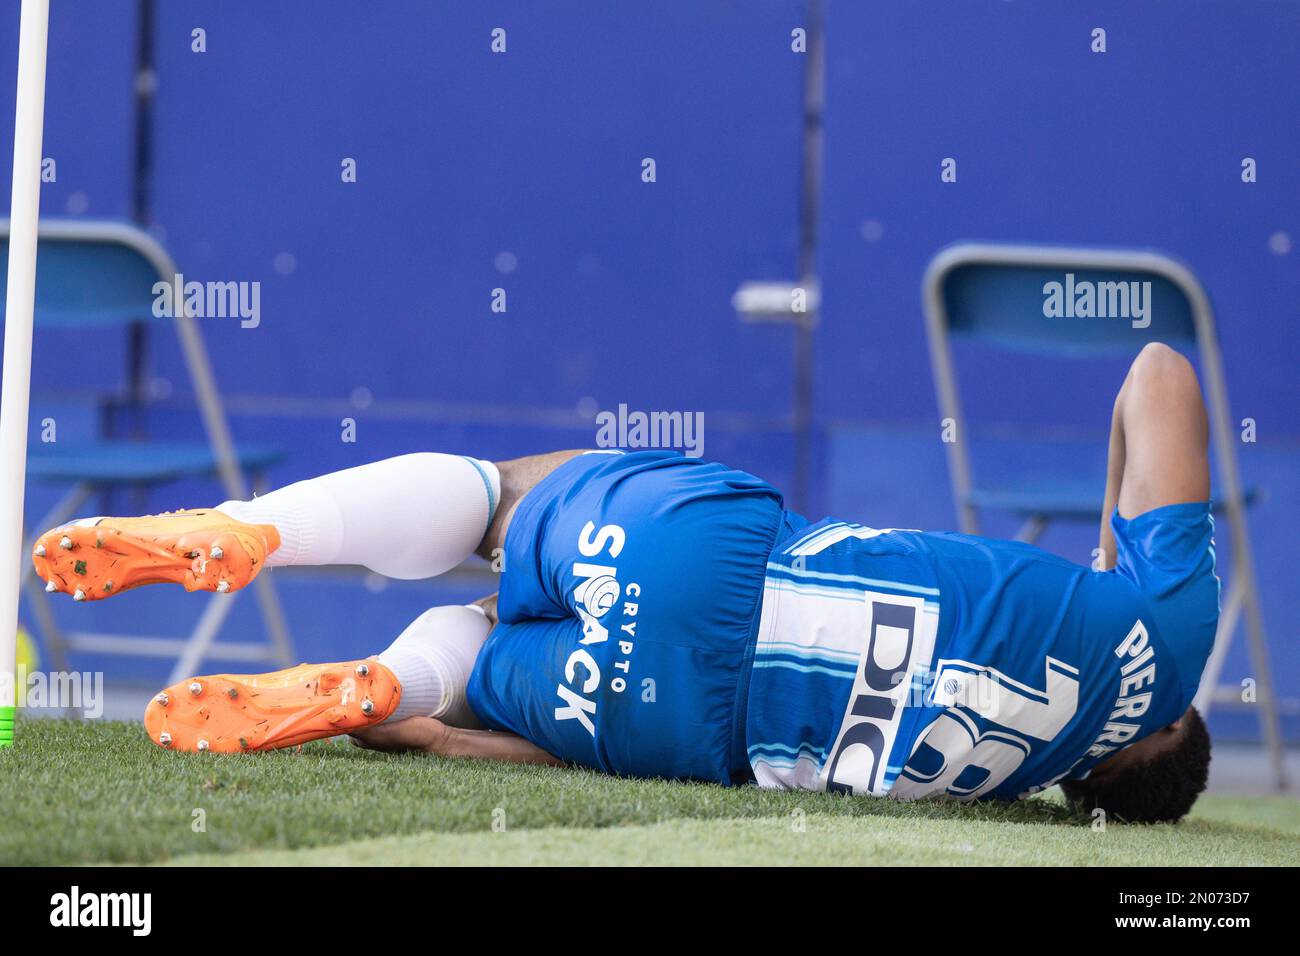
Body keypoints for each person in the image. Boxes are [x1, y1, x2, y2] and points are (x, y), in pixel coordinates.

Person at [32, 343, 1217, 822]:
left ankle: (252, 529)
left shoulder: (1160, 643)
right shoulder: (1000, 798)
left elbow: (1157, 368)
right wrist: (431, 741)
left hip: (715, 556)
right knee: (465, 695)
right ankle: (382, 685)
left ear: (1170, 715)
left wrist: (1113, 549)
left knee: (498, 498)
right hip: (676, 720)